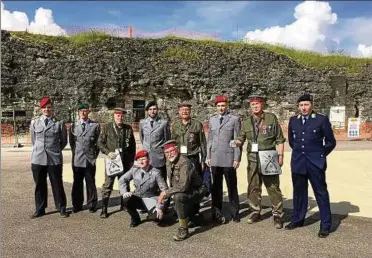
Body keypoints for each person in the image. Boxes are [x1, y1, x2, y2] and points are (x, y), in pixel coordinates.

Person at [285, 94, 336, 238]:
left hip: (315, 163)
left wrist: (320, 154)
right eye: (301, 105)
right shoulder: (293, 121)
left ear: (311, 105)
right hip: (298, 162)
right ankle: (297, 219)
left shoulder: (321, 119)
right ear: (298, 106)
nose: (304, 108)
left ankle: (325, 225)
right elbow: (291, 141)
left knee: (321, 193)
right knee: (299, 192)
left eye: (306, 105)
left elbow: (331, 142)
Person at [235, 95, 285, 229]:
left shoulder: (271, 118)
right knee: (253, 187)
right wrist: (237, 143)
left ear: (262, 104)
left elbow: (279, 139)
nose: (255, 106)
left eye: (257, 104)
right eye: (253, 104)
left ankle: (277, 214)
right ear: (250, 106)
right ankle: (255, 211)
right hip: (253, 159)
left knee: (273, 187)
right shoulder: (246, 121)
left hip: (269, 157)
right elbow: (241, 138)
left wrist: (280, 155)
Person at [158, 140, 207, 241]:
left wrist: (166, 193)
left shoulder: (184, 162)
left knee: (178, 197)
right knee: (179, 201)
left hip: (197, 190)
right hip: (187, 190)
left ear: (177, 150)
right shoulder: (169, 161)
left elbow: (183, 186)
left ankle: (183, 229)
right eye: (166, 153)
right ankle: (193, 216)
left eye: (171, 151)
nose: (169, 154)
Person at [30, 96, 69, 218]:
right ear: (41, 109)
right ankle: (40, 209)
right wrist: (40, 150)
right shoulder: (34, 122)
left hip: (54, 158)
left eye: (49, 107)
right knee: (39, 185)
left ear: (52, 109)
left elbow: (63, 141)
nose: (47, 109)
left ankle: (61, 207)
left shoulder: (59, 123)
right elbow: (34, 140)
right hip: (38, 158)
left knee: (57, 184)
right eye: (45, 108)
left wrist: (55, 150)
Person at [206, 95, 241, 224]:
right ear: (216, 107)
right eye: (218, 106)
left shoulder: (234, 119)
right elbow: (210, 139)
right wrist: (208, 156)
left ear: (227, 106)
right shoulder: (212, 120)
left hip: (228, 157)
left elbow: (236, 140)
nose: (221, 108)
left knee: (232, 186)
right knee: (216, 187)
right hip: (215, 157)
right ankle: (216, 212)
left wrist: (236, 157)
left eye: (223, 105)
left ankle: (234, 212)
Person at [98, 107, 136, 218]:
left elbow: (132, 146)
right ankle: (104, 208)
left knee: (124, 183)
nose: (120, 117)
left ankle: (124, 204)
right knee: (108, 184)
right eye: (118, 115)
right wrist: (107, 152)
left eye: (122, 116)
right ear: (114, 116)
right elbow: (100, 143)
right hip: (112, 161)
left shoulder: (128, 128)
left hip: (124, 161)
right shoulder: (107, 128)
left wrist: (131, 161)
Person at [118, 150, 168, 227]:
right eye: (138, 160)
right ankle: (135, 218)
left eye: (143, 159)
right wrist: (124, 192)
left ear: (149, 159)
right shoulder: (134, 170)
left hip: (150, 199)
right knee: (126, 199)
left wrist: (159, 207)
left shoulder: (156, 173)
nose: (141, 161)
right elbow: (122, 180)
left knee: (157, 218)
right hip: (138, 197)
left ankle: (156, 212)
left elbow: (165, 190)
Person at [69, 103, 100, 213]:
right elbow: (72, 142)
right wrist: (76, 153)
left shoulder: (95, 126)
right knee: (77, 182)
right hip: (77, 159)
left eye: (85, 110)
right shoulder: (74, 125)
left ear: (88, 112)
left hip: (89, 159)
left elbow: (98, 143)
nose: (83, 112)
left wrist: (94, 156)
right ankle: (77, 205)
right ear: (78, 112)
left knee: (90, 182)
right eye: (81, 110)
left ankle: (92, 204)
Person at [171, 102, 208, 193]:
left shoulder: (197, 124)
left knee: (194, 182)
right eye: (182, 110)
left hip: (193, 157)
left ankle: (194, 204)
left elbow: (202, 142)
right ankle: (182, 204)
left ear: (190, 111)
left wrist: (204, 159)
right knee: (180, 181)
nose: (184, 112)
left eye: (187, 109)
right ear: (179, 112)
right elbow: (173, 143)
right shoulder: (175, 125)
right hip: (180, 158)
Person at [139, 101, 171, 179]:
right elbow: (142, 138)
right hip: (146, 156)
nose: (152, 111)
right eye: (150, 109)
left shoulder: (163, 123)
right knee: (147, 179)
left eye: (154, 109)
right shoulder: (142, 123)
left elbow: (167, 140)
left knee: (161, 179)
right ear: (147, 111)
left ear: (157, 110)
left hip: (159, 157)